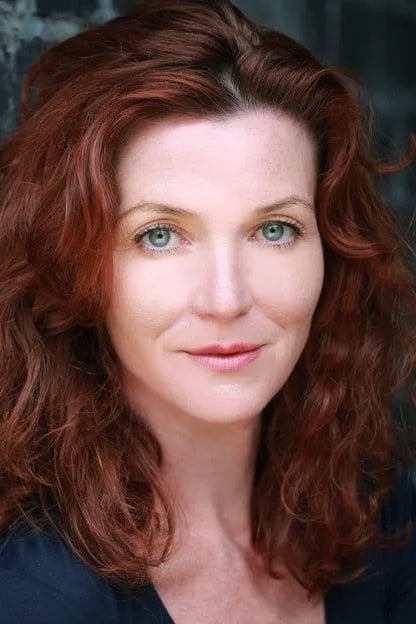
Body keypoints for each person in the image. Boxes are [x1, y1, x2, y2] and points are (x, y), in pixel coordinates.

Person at [0, 0, 415, 622]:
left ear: (332, 249)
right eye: (160, 235)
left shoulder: (386, 519)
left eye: (274, 229)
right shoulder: (36, 596)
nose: (226, 300)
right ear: (72, 263)